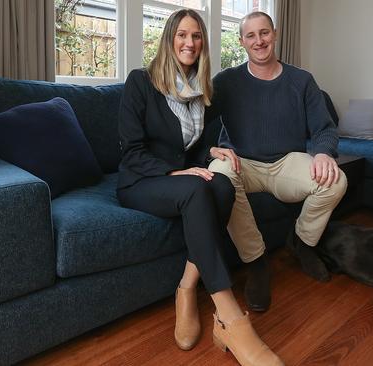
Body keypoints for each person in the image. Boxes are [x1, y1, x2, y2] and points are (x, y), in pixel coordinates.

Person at [117, 9, 283, 366]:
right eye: (182, 35)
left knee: (223, 187)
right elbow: (131, 152)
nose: (189, 43)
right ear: (169, 39)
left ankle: (186, 288)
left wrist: (212, 151)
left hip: (182, 178)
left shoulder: (205, 90)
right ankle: (231, 319)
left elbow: (196, 147)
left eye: (196, 36)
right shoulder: (140, 82)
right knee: (198, 189)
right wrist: (175, 172)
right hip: (142, 180)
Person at [207, 11, 348, 312]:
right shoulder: (227, 81)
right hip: (241, 164)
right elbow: (197, 122)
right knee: (218, 176)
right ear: (242, 41)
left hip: (287, 163)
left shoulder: (302, 80)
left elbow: (324, 128)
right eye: (251, 35)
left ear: (275, 34)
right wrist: (209, 150)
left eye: (264, 33)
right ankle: (257, 262)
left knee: (336, 181)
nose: (259, 41)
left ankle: (302, 243)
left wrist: (323, 152)